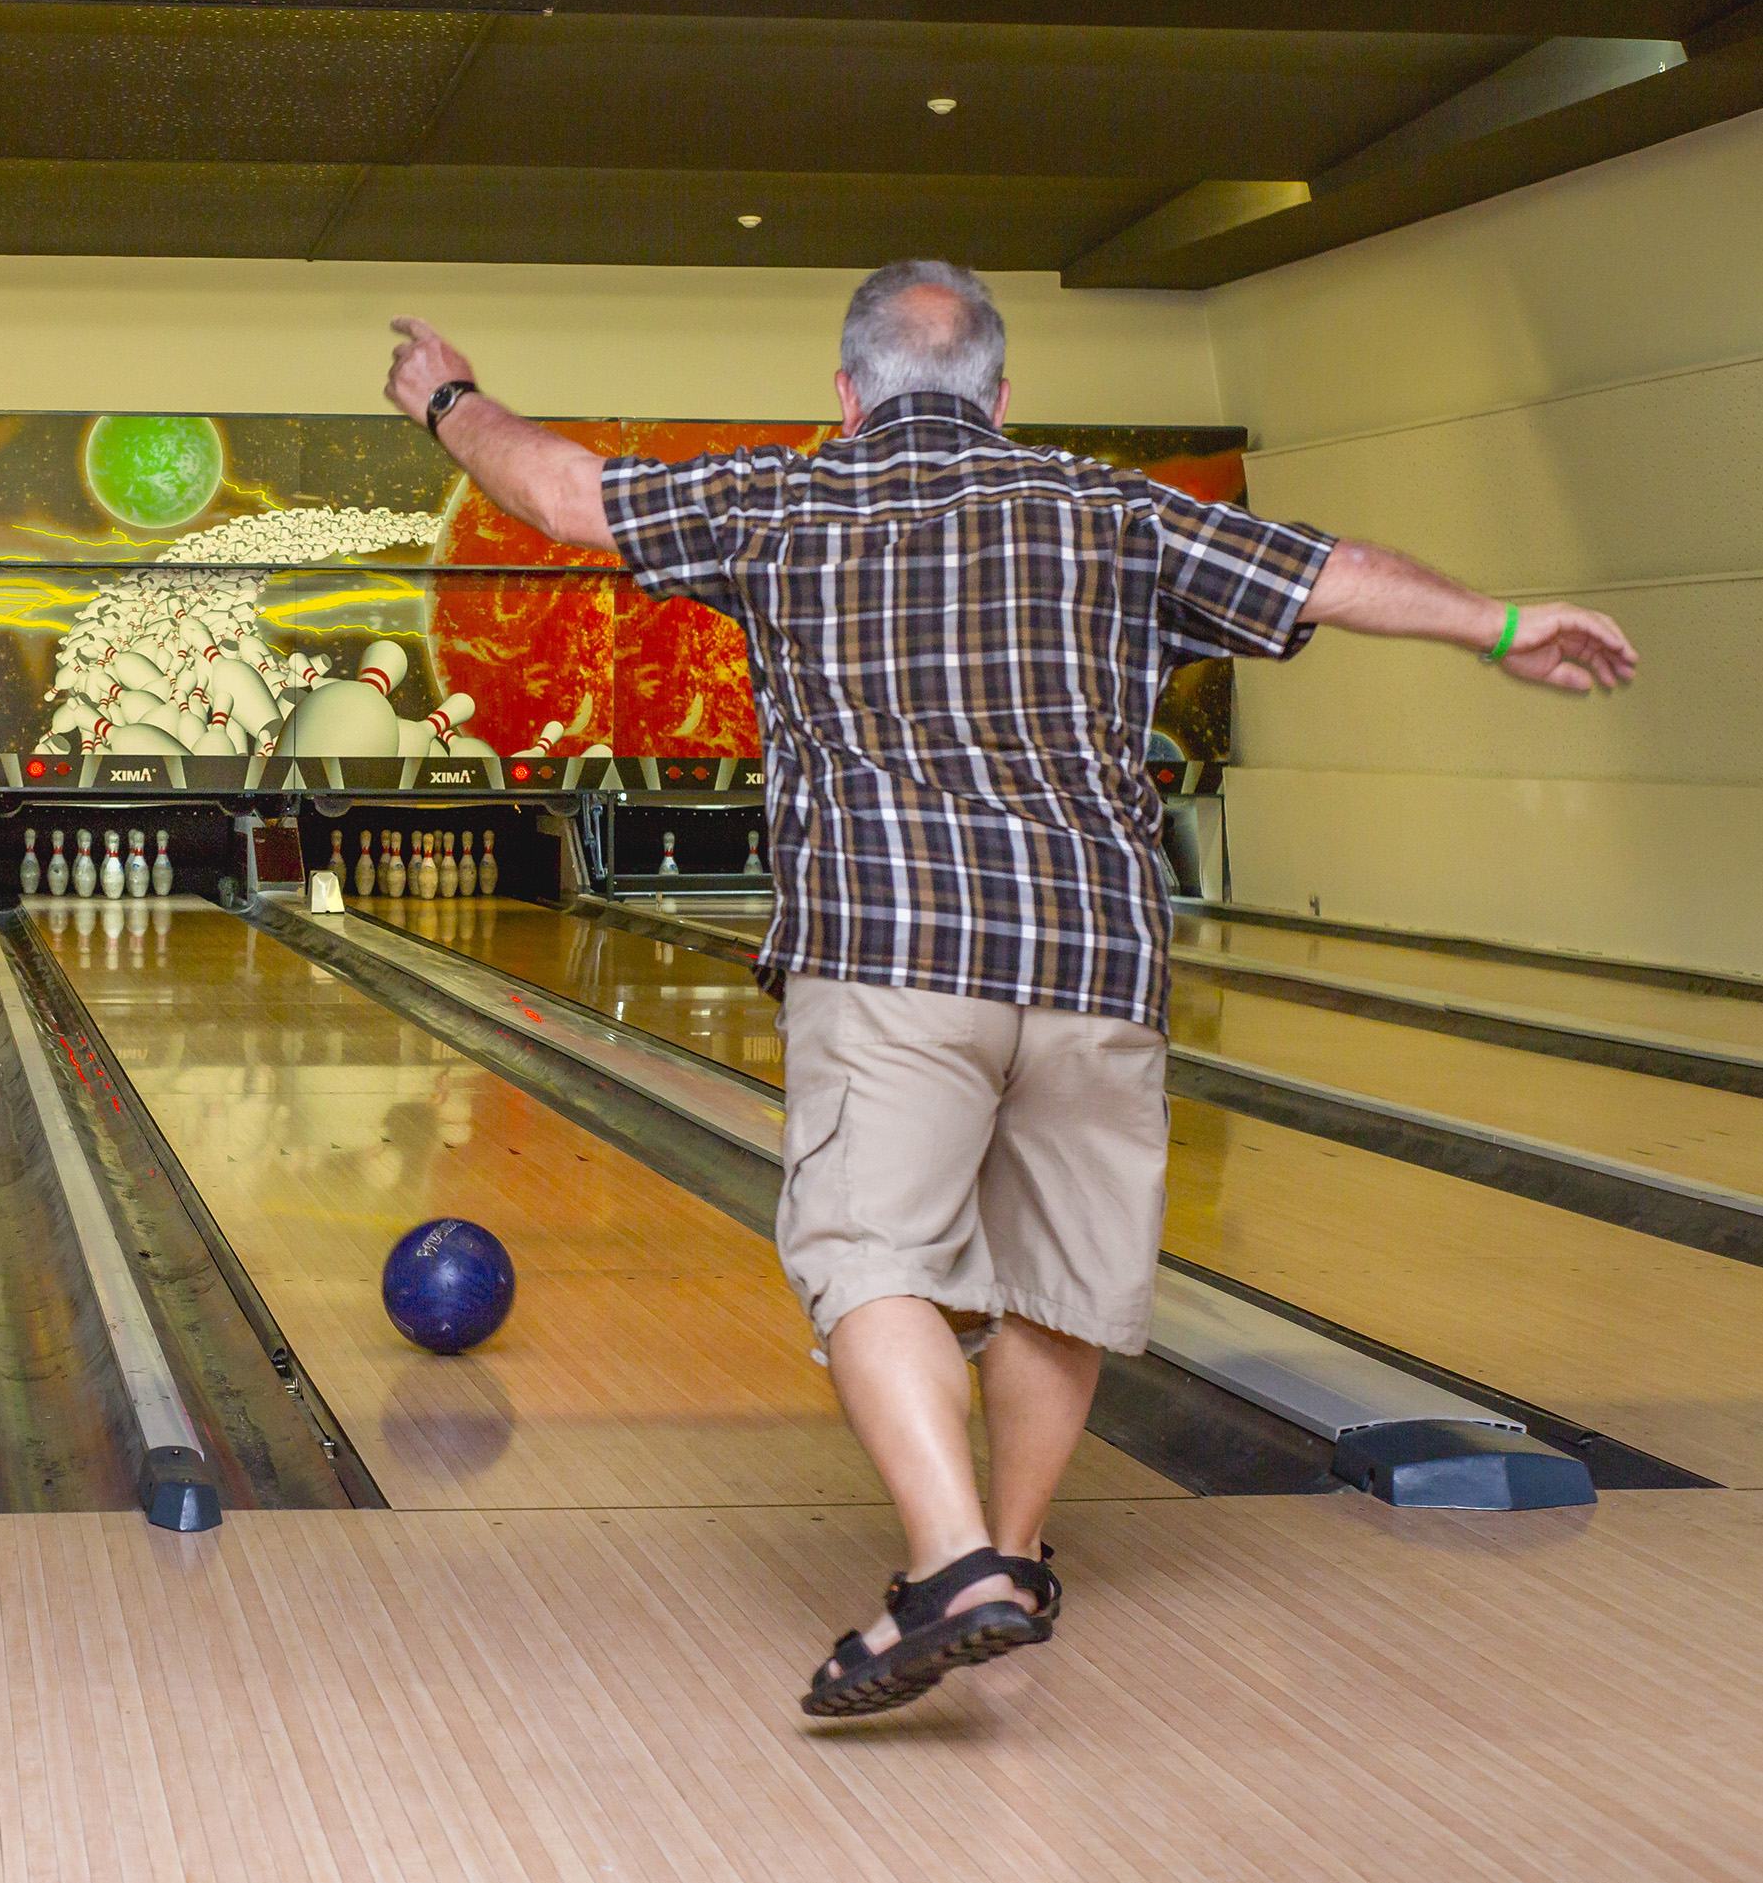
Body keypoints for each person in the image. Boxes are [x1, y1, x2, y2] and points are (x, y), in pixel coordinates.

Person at [381, 262, 1636, 1719]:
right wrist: (1496, 626)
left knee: (867, 1255)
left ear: (845, 395)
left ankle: (952, 1557)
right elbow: (1328, 571)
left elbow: (562, 493)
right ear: (1000, 391)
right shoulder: (1114, 507)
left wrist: (448, 399)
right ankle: (1019, 1556)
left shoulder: (785, 497)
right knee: (1056, 1285)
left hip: (890, 949)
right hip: (1097, 957)